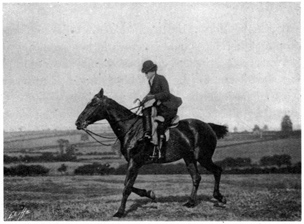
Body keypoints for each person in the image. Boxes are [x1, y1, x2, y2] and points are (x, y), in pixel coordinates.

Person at [140, 60, 182, 159]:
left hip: (169, 107)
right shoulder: (152, 81)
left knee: (160, 126)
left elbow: (166, 93)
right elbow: (151, 93)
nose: (145, 74)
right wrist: (144, 100)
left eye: (146, 72)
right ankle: (148, 134)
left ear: (152, 71)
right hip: (162, 108)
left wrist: (152, 97)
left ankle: (161, 152)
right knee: (146, 111)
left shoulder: (160, 78)